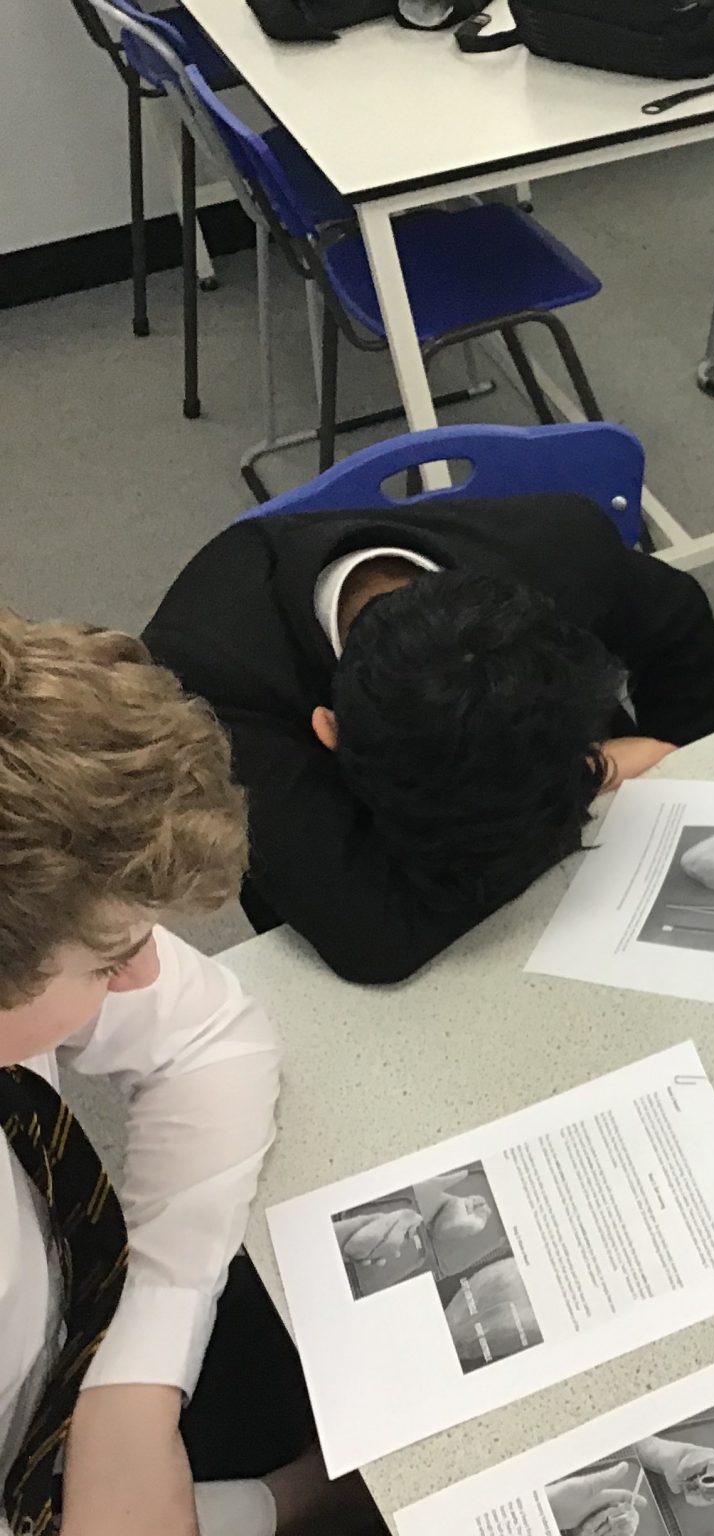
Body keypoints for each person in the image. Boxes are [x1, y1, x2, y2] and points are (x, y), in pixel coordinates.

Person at [0, 611, 373, 1536]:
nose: (145, 975)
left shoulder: (30, 910)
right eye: (107, 962)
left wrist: (134, 1380)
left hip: (71, 1352)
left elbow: (208, 1037)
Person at [141, 494, 714, 986]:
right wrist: (598, 775)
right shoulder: (201, 688)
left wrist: (691, 767)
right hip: (361, 858)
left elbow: (680, 623)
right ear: (328, 731)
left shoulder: (560, 547)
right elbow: (373, 936)